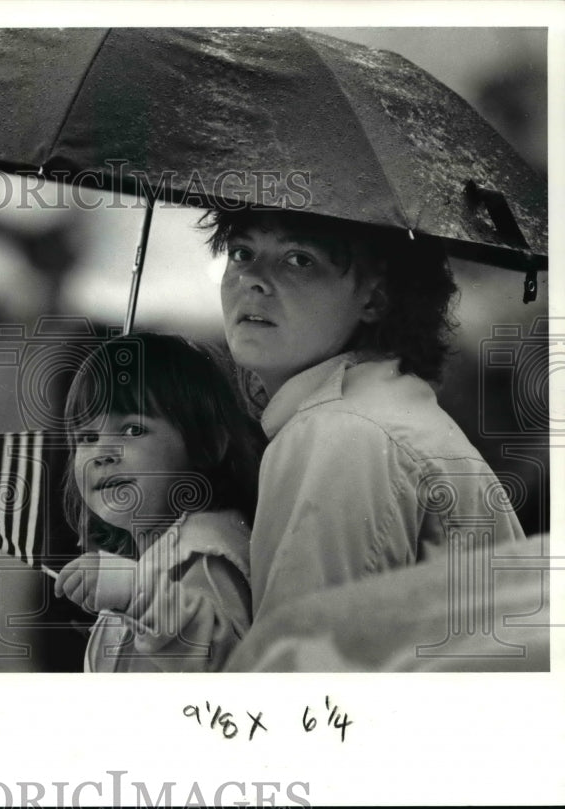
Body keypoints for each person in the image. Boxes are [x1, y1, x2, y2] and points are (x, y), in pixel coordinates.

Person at [202, 207, 527, 629]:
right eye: (241, 252)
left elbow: (303, 671)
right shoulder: (372, 412)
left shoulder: (343, 433)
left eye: (299, 259)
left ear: (375, 298)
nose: (251, 278)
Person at [53, 332, 264, 672]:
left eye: (133, 430)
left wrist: (133, 592)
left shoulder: (206, 555)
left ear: (207, 443)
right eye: (87, 437)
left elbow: (222, 664)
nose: (103, 454)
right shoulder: (150, 558)